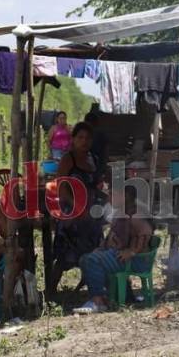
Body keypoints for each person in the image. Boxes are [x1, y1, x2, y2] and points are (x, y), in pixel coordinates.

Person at [74, 187, 155, 313]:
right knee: (86, 258)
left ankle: (98, 301)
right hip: (120, 256)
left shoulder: (135, 214)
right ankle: (117, 296)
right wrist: (101, 248)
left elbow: (146, 233)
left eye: (112, 194)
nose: (109, 197)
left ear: (126, 195)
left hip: (135, 260)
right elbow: (113, 236)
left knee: (92, 260)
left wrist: (132, 251)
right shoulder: (121, 212)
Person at [50, 122, 104, 296]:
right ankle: (49, 293)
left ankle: (93, 288)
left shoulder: (93, 160)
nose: (84, 141)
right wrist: (77, 206)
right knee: (64, 257)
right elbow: (60, 187)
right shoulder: (68, 159)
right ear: (73, 139)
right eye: (80, 137)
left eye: (88, 138)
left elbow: (96, 186)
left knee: (94, 253)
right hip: (72, 214)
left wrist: (106, 198)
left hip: (91, 215)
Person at [84, 110, 109, 183]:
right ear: (97, 122)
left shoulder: (84, 133)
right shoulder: (101, 133)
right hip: (98, 164)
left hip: (88, 164)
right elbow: (106, 151)